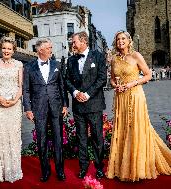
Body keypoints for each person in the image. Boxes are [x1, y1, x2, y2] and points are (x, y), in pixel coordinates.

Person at [106, 31, 171, 182]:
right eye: (118, 39)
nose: (120, 41)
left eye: (123, 39)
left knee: (136, 129)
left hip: (135, 96)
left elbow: (148, 75)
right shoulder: (114, 59)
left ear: (129, 41)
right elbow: (111, 80)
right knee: (123, 130)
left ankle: (138, 167)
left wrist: (132, 83)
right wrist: (116, 86)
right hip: (120, 98)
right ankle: (123, 167)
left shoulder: (136, 56)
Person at [23, 38, 68, 182]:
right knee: (41, 141)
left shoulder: (57, 65)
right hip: (38, 108)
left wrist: (65, 105)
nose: (51, 50)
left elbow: (62, 87)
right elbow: (26, 90)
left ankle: (60, 171)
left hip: (56, 107)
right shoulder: (29, 67)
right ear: (40, 50)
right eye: (48, 48)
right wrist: (28, 109)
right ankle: (45, 171)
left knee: (58, 140)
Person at [65, 31, 107, 179]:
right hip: (78, 106)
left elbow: (102, 79)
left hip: (94, 104)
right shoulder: (70, 60)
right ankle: (83, 167)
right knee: (81, 138)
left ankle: (99, 167)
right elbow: (67, 80)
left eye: (74, 42)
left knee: (97, 138)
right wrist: (76, 92)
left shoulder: (98, 56)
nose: (72, 44)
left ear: (83, 41)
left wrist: (87, 94)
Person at [0, 36, 23, 183]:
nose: (6, 51)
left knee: (14, 138)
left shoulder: (19, 64)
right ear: (0, 48)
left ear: (13, 50)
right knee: (1, 137)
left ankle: (13, 171)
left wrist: (15, 100)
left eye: (9, 48)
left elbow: (20, 86)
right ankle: (1, 172)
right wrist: (1, 99)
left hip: (14, 106)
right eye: (4, 48)